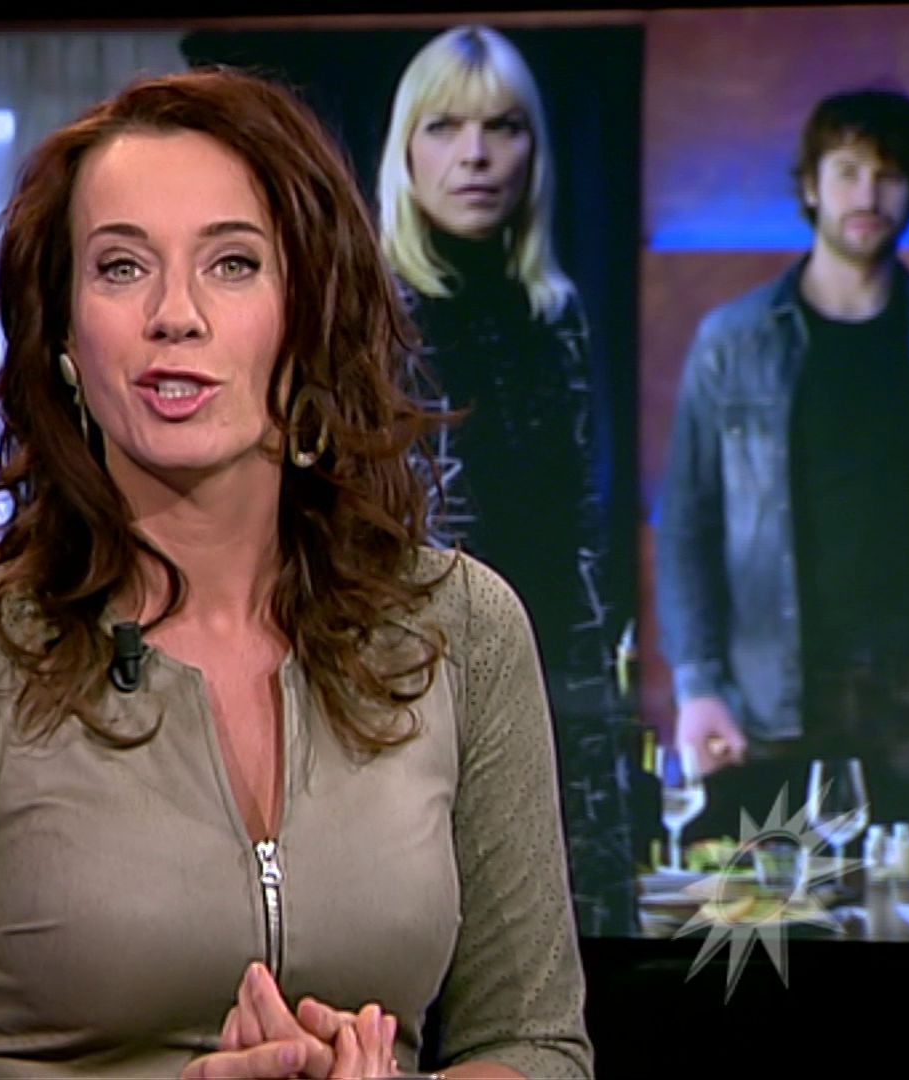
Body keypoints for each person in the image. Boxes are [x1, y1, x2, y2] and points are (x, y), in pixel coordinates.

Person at [0, 68, 592, 1078]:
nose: (175, 314)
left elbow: (535, 1045)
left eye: (233, 264)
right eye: (122, 267)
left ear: (308, 311)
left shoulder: (461, 630)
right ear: (65, 335)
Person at [375, 26, 636, 937]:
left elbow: (583, 521)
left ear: (534, 149)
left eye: (503, 127)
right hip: (415, 692)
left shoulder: (558, 315)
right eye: (445, 126)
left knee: (577, 939)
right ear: (406, 150)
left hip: (566, 677)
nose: (476, 154)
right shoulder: (363, 316)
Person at [655, 86, 909, 864]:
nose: (867, 195)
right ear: (811, 185)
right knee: (768, 918)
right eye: (847, 171)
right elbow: (687, 526)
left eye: (889, 174)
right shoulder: (734, 342)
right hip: (771, 700)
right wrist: (698, 686)